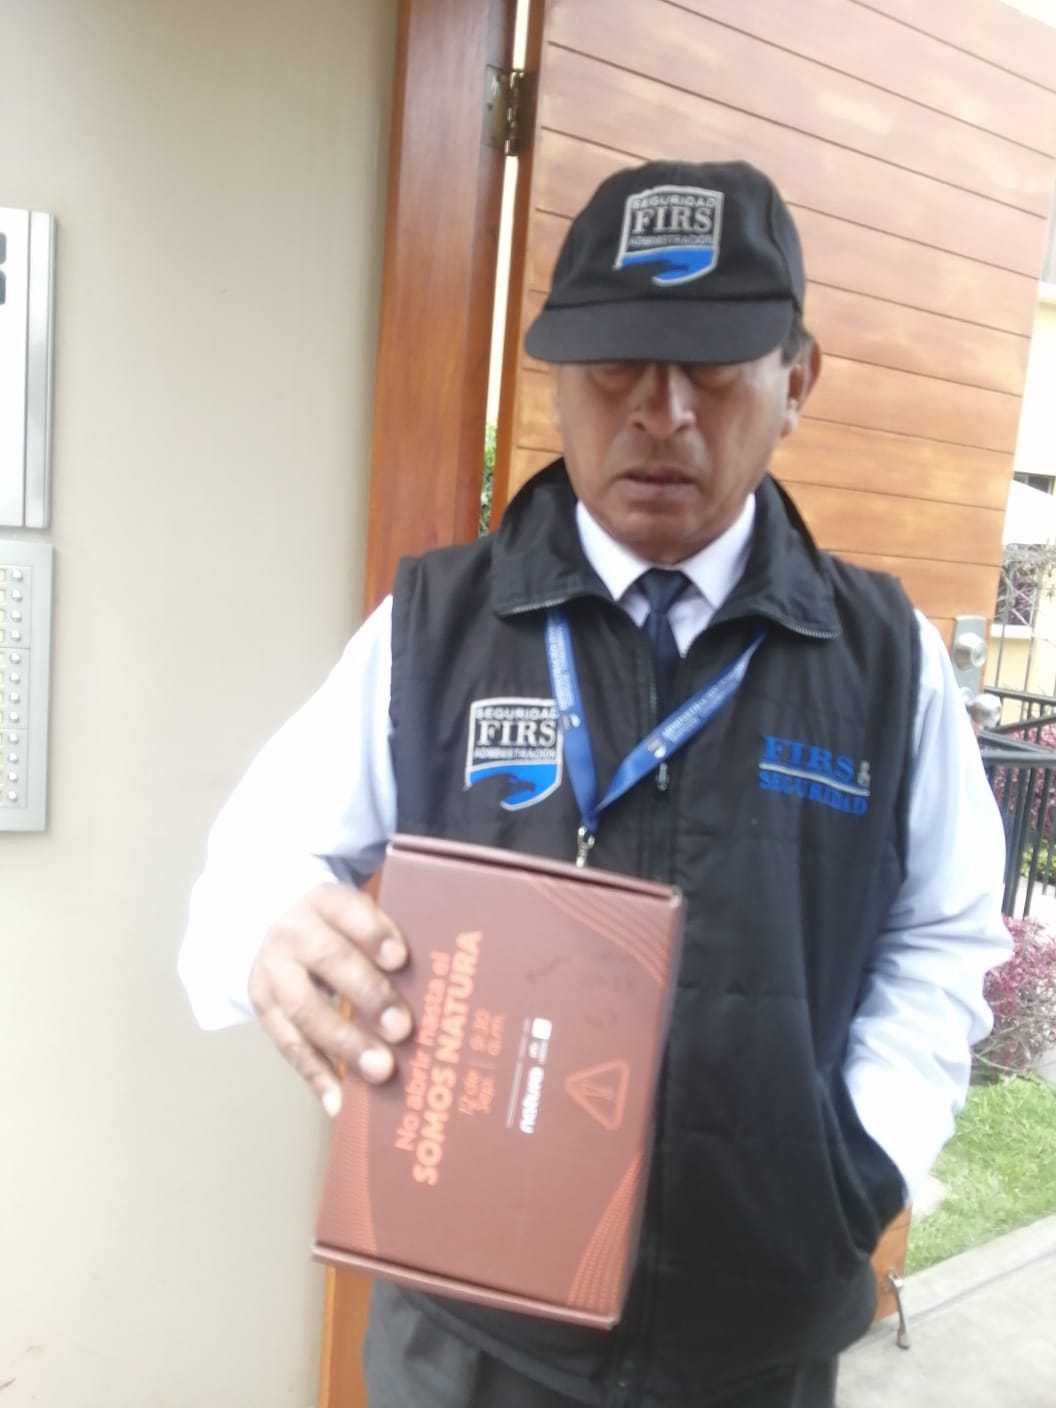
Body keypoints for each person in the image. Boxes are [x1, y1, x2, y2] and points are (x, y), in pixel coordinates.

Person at [179, 160, 1009, 1407]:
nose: (662, 413)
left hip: (755, 1339)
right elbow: (259, 856)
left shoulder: (886, 662)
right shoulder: (435, 629)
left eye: (711, 366)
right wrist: (272, 922)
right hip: (471, 1342)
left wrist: (858, 1163)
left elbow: (944, 932)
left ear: (797, 380)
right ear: (558, 382)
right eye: (617, 365)